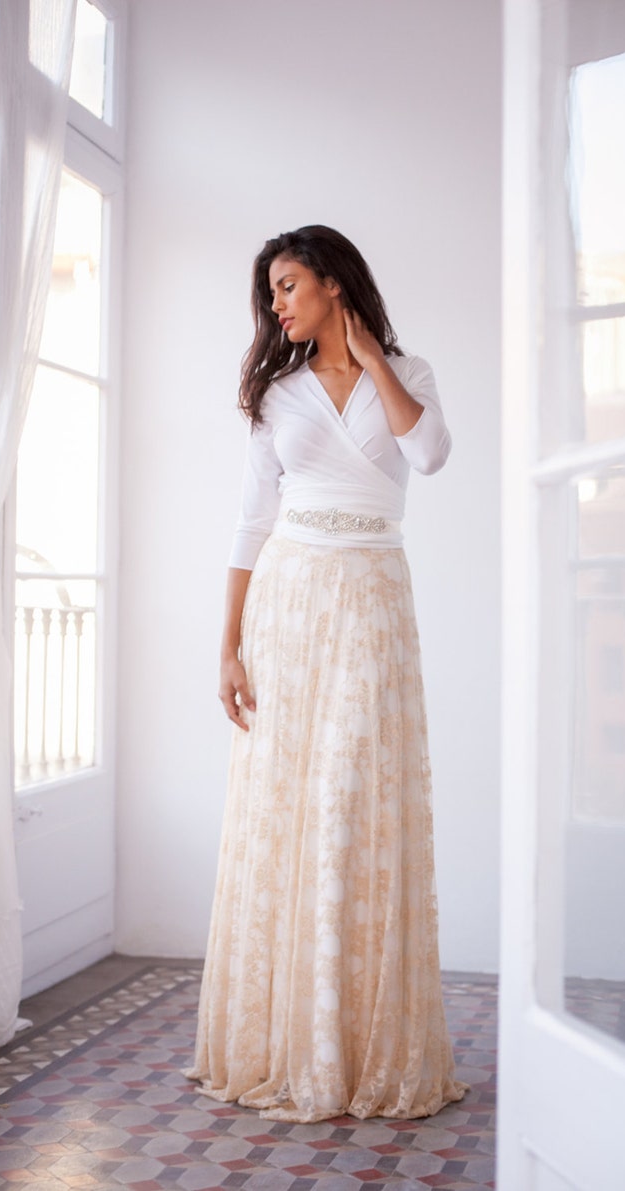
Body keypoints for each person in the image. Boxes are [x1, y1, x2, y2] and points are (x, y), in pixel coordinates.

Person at [184, 225, 468, 1123]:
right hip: (292, 603)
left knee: (356, 804)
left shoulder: (409, 375)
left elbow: (430, 455)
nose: (276, 303)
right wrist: (228, 645)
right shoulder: (277, 393)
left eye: (289, 284)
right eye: (270, 291)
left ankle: (356, 1038)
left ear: (334, 285)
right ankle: (288, 1040)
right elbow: (248, 522)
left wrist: (372, 358)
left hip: (373, 598)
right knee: (288, 807)